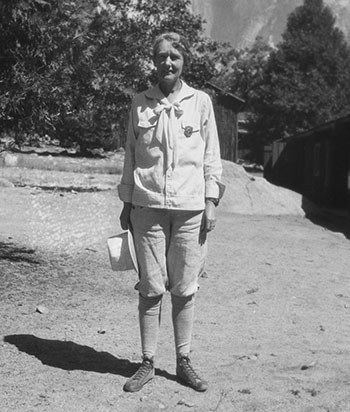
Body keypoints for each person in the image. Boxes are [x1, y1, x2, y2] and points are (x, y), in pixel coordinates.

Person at [118, 32, 224, 393]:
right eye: (161, 56)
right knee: (150, 287)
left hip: (190, 209)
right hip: (146, 207)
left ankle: (183, 361)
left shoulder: (201, 102)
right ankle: (147, 362)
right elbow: (131, 155)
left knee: (184, 287)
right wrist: (126, 203)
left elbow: (212, 155)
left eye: (174, 56)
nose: (168, 62)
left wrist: (211, 201)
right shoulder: (139, 103)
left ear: (184, 62)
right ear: (153, 60)